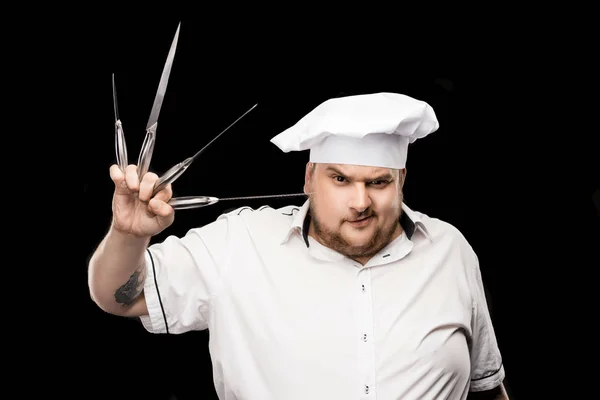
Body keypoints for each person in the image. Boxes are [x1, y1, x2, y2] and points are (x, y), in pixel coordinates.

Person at [88, 92, 509, 400]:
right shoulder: (239, 244)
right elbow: (118, 297)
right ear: (308, 179)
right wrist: (129, 233)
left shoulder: (449, 250)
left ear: (401, 181)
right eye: (340, 179)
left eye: (378, 182)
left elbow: (488, 387)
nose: (360, 202)